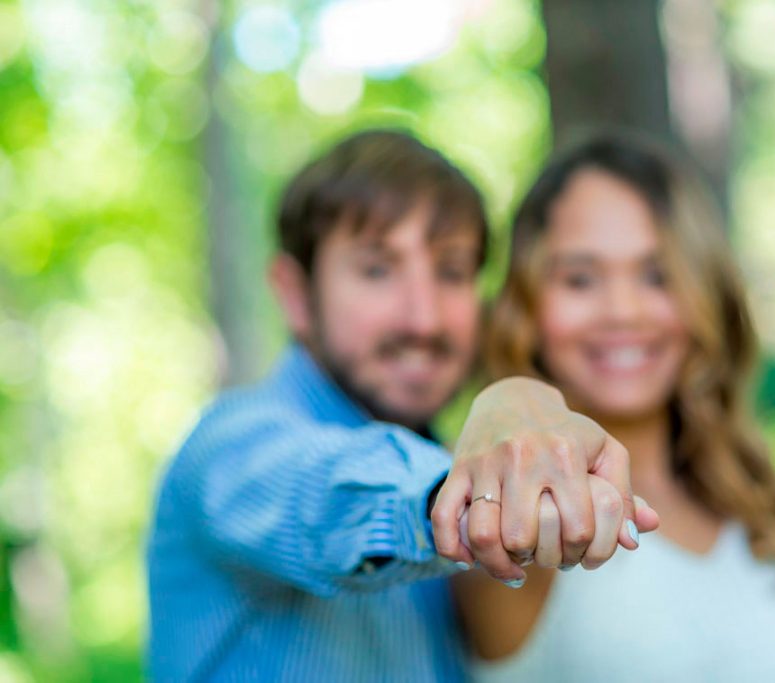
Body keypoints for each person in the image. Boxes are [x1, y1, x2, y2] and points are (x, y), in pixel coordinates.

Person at [146, 129, 654, 682]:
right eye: (377, 269)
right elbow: (324, 492)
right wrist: (470, 490)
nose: (423, 319)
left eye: (452, 271)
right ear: (295, 294)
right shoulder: (232, 445)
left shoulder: (451, 464)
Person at [455, 131, 775, 681]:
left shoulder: (759, 517)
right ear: (527, 305)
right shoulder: (525, 518)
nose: (623, 311)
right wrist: (512, 397)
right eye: (580, 278)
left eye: (657, 276)